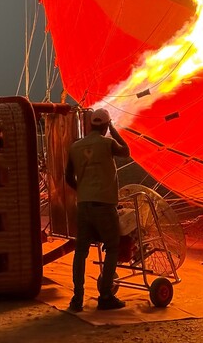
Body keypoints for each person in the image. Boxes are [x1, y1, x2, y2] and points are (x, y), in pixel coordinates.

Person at [64, 107, 130, 312]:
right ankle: (106, 296)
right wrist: (113, 128)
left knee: (80, 252)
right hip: (104, 204)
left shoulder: (75, 147)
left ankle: (77, 298)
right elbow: (126, 151)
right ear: (105, 126)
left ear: (91, 124)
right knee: (112, 247)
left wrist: (83, 191)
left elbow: (68, 178)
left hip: (84, 206)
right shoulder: (108, 143)